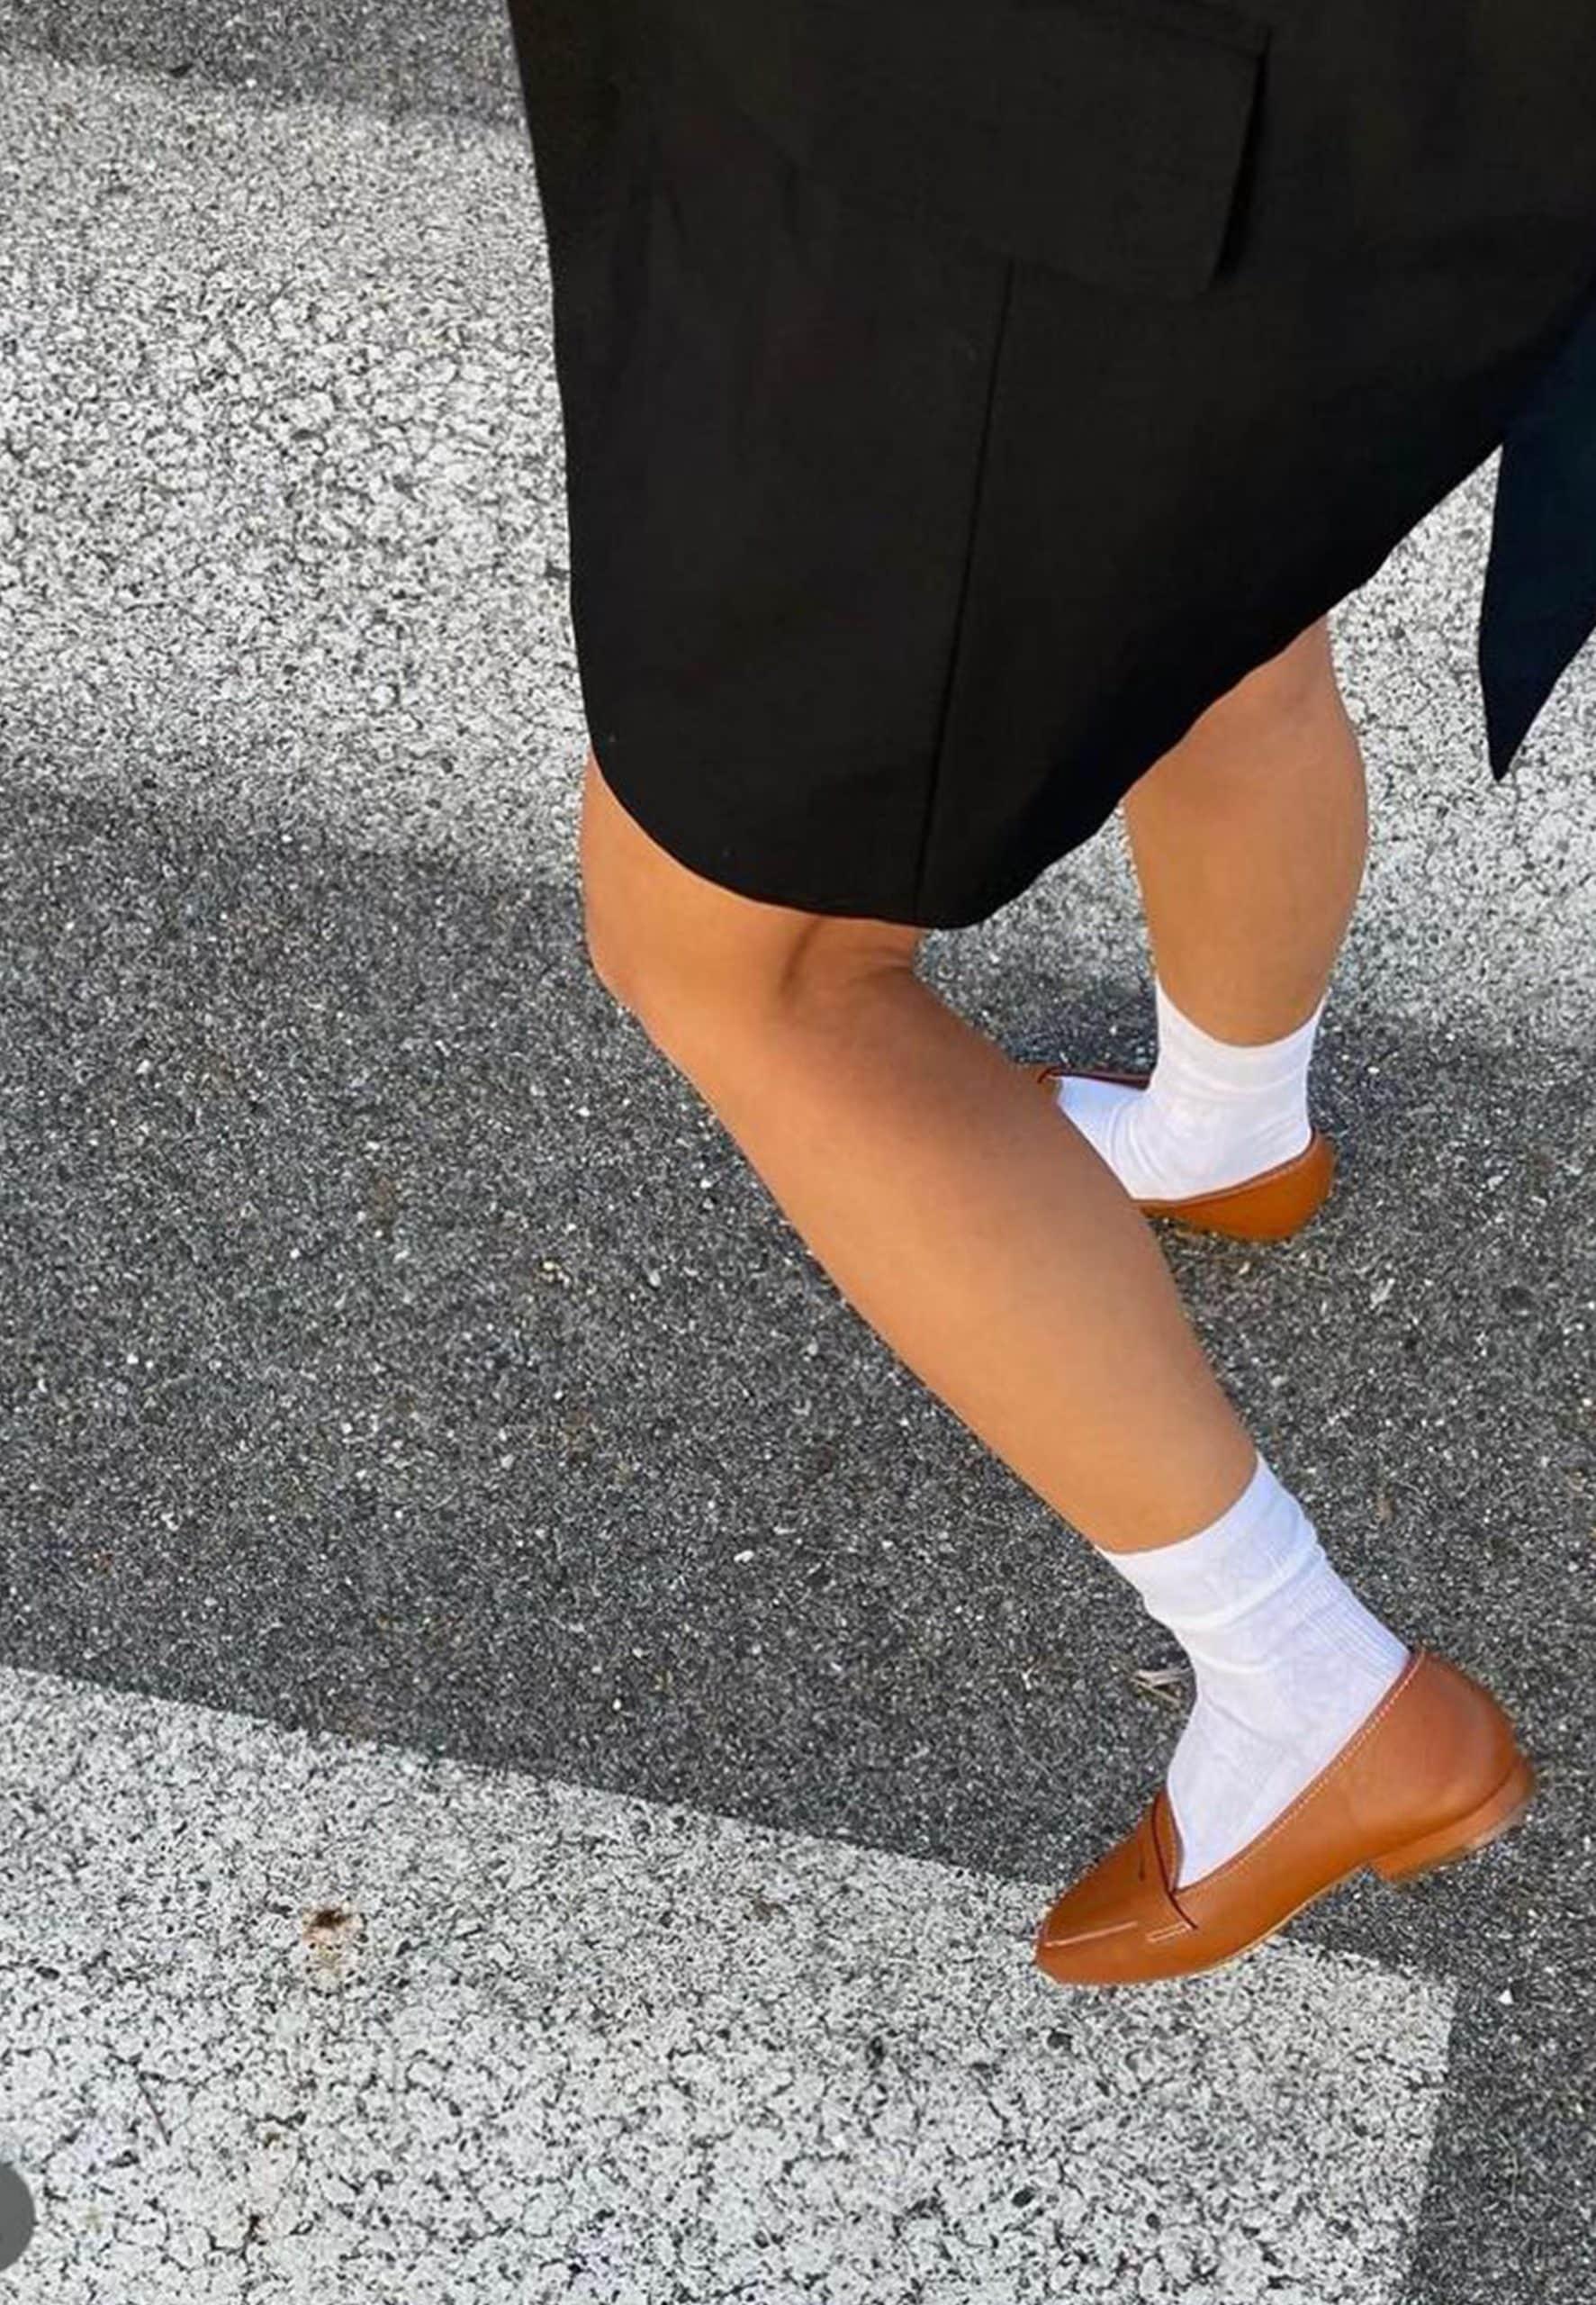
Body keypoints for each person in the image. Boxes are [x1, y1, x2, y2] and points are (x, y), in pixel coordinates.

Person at [506, 0, 1595, 1984]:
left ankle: (1310, 1687)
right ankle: (1226, 1128)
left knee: (750, 963)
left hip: (1001, 121)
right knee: (1211, 587)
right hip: (1340, 110)